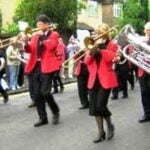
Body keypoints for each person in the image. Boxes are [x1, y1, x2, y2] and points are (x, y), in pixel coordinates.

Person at [23, 14, 60, 127]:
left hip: (47, 66)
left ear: (46, 24)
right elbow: (30, 50)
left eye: (40, 24)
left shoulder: (54, 34)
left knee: (45, 92)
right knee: (37, 94)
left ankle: (55, 111)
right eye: (37, 24)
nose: (37, 26)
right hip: (35, 66)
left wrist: (42, 37)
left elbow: (52, 46)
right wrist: (25, 42)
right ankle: (43, 118)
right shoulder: (34, 36)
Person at [84, 23, 118, 143]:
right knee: (94, 108)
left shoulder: (112, 44)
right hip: (94, 80)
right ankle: (100, 132)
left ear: (106, 32)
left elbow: (110, 58)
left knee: (100, 106)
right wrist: (92, 51)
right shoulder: (92, 43)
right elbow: (86, 61)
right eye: (97, 32)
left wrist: (100, 50)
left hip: (106, 79)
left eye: (100, 32)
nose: (98, 35)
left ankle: (110, 125)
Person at [138, 22, 150, 123]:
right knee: (144, 93)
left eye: (148, 30)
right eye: (145, 30)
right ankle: (147, 113)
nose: (146, 32)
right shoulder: (142, 41)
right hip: (143, 70)